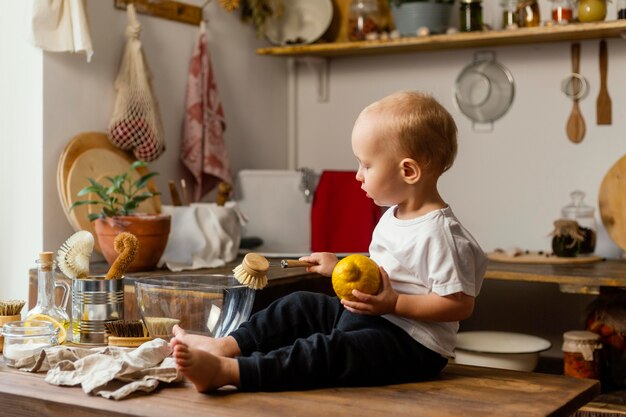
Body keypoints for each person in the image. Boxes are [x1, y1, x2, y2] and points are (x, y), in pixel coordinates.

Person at [170, 91, 488, 393]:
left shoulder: (441, 234)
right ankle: (225, 346)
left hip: (410, 344)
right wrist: (339, 266)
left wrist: (395, 304)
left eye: (366, 165)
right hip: (370, 317)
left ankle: (229, 373)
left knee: (327, 352)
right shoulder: (394, 215)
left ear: (408, 171)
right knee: (299, 305)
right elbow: (386, 268)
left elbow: (459, 305)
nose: (358, 175)